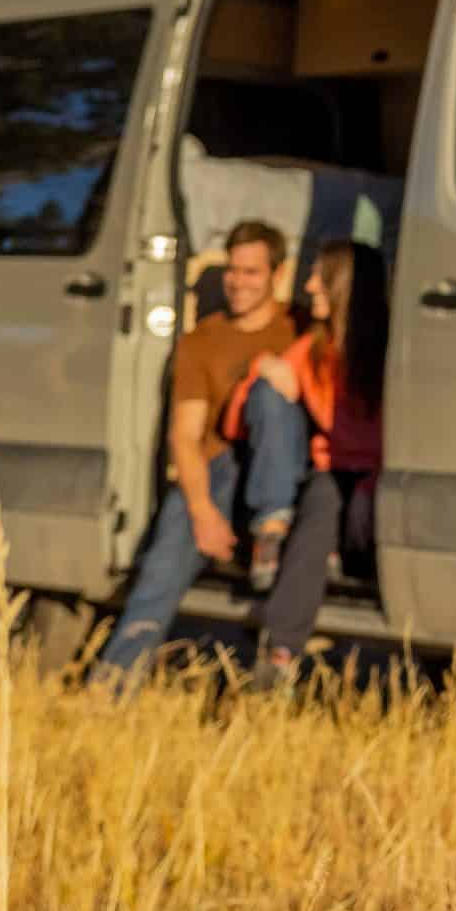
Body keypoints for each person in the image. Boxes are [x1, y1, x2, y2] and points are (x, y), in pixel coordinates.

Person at [92, 219, 302, 689]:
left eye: (252, 272)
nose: (238, 282)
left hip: (288, 473)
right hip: (222, 471)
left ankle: (271, 530)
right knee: (163, 564)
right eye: (233, 270)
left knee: (270, 396)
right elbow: (186, 436)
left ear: (277, 274)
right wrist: (204, 511)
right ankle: (111, 685)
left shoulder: (300, 328)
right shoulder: (202, 340)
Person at [220, 238, 389, 689]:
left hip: (377, 478)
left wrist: (371, 483)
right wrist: (262, 370)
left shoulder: (388, 352)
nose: (309, 284)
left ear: (345, 287)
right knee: (318, 514)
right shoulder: (314, 346)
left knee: (356, 513)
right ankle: (278, 658)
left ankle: (344, 549)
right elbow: (240, 422)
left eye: (320, 276)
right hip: (332, 472)